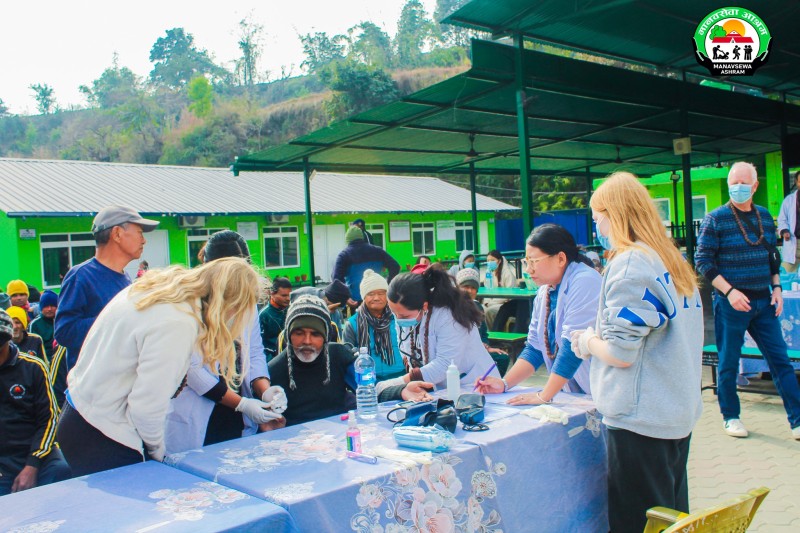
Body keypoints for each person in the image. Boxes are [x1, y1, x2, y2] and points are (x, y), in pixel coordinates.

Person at [570, 171, 703, 533]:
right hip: (675, 411)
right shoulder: (669, 258)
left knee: (639, 523)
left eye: (598, 218)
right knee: (671, 519)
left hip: (641, 418)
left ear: (616, 214)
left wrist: (586, 342)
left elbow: (620, 351)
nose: (597, 226)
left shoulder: (630, 264)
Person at [56, 257, 260, 477]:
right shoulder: (178, 322)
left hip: (81, 414)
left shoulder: (159, 290)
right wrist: (158, 453)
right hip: (101, 432)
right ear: (229, 303)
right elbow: (147, 406)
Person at [696, 162, 800, 440]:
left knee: (780, 361)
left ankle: (797, 420)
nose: (738, 187)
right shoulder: (715, 218)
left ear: (754, 186)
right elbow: (703, 261)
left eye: (744, 182)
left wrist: (777, 288)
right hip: (731, 304)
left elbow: (772, 257)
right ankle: (731, 416)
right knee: (728, 362)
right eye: (734, 182)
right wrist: (729, 292)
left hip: (763, 301)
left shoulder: (765, 217)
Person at [165, 231, 286, 455]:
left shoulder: (245, 299)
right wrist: (242, 404)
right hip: (202, 413)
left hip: (237, 411)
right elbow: (193, 370)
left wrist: (265, 392)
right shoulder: (188, 304)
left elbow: (254, 353)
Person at [476, 225, 601, 404]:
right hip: (572, 393)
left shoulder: (585, 281)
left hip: (596, 389)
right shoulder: (545, 292)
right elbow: (535, 347)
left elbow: (572, 347)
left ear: (560, 258)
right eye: (527, 262)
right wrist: (504, 384)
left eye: (534, 261)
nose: (528, 269)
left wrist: (543, 396)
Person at [268, 295, 433, 426]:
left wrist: (401, 390)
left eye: (316, 334)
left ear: (325, 337)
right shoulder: (272, 371)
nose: (307, 341)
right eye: (299, 333)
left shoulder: (338, 355)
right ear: (289, 335)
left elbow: (367, 389)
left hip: (342, 435)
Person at [55, 205, 159, 370]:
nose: (144, 240)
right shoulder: (81, 276)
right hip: (92, 389)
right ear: (117, 233)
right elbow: (65, 332)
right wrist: (117, 318)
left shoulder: (124, 277)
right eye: (139, 233)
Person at [386, 269, 500, 391]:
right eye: (394, 313)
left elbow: (445, 364)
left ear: (424, 306)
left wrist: (398, 383)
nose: (398, 320)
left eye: (404, 316)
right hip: (440, 388)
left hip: (474, 384)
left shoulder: (450, 316)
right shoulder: (405, 311)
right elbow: (407, 350)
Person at [0, 309, 70, 496]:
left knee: (62, 471)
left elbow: (49, 419)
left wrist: (33, 464)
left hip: (36, 451)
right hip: (2, 459)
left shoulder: (33, 367)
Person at [343, 269, 404, 381]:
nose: (376, 298)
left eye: (381, 293)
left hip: (402, 377)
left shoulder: (399, 317)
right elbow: (347, 356)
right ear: (363, 297)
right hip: (369, 381)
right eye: (371, 294)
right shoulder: (352, 324)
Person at [455, 268, 510, 376]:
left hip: (479, 350)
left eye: (473, 288)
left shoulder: (477, 307)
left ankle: (491, 386)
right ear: (458, 288)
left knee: (502, 358)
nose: (469, 291)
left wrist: (487, 348)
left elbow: (483, 333)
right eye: (465, 287)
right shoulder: (453, 309)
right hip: (461, 353)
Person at [332, 226, 400, 304]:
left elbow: (336, 279)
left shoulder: (344, 255)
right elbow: (395, 266)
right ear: (362, 237)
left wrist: (345, 297)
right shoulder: (378, 251)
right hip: (378, 296)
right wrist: (387, 284)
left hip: (356, 299)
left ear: (348, 240)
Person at [482, 249, 519, 331]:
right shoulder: (489, 273)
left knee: (490, 311)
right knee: (481, 309)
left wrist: (492, 303)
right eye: (488, 260)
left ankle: (493, 334)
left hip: (503, 303)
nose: (489, 262)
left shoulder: (507, 274)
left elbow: (508, 295)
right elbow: (486, 290)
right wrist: (487, 302)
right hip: (490, 303)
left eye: (492, 260)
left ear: (499, 261)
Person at [259, 277, 293, 361]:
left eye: (290, 295)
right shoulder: (264, 315)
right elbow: (259, 344)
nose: (288, 298)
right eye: (284, 295)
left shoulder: (292, 309)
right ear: (272, 294)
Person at [777, 170, 800, 273]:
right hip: (794, 244)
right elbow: (782, 219)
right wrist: (785, 231)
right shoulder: (789, 200)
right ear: (796, 182)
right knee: (786, 274)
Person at [29, 290, 58, 361]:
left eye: (52, 306)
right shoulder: (35, 324)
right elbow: (33, 348)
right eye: (46, 306)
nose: (49, 309)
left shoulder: (63, 321)